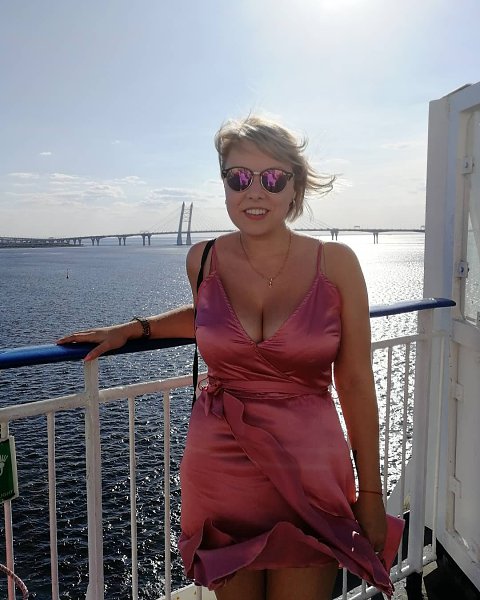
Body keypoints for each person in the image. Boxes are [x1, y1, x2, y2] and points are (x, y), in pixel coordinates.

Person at [57, 115, 403, 600]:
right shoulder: (203, 259)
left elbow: (357, 384)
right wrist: (134, 329)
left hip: (311, 471)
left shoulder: (337, 263)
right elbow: (211, 315)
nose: (254, 191)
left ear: (295, 187)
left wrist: (370, 493)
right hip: (220, 469)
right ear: (224, 184)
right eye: (238, 177)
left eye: (272, 178)